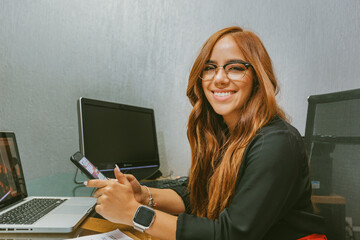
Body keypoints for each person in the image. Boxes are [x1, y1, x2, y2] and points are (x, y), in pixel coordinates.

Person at [86, 26, 327, 240]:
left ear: (257, 78)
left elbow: (231, 234)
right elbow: (198, 195)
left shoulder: (276, 143)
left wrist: (133, 213)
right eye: (210, 68)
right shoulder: (225, 134)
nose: (219, 78)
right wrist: (144, 194)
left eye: (235, 68)